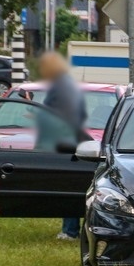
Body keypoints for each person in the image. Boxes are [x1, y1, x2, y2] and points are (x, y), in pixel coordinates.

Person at [39, 52, 87, 241]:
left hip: (62, 142)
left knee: (67, 186)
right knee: (73, 185)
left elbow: (54, 113)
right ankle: (73, 228)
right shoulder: (68, 84)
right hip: (71, 140)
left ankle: (70, 230)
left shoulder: (60, 86)